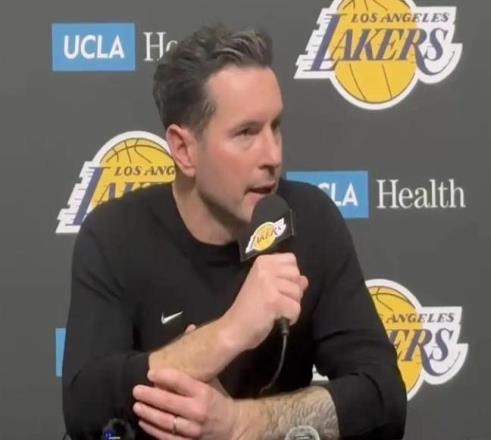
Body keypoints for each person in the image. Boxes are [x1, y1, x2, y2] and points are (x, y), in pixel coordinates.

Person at [63, 24, 406, 439]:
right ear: (184, 149)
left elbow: (383, 398)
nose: (273, 155)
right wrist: (230, 332)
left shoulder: (310, 220)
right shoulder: (116, 235)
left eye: (275, 127)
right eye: (246, 133)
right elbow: (85, 410)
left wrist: (241, 424)